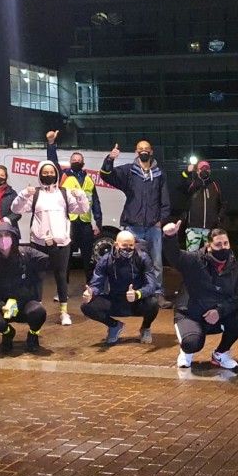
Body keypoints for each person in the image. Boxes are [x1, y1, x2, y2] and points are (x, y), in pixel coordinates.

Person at [10, 160, 89, 325]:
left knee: (61, 277)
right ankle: (36, 310)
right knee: (37, 276)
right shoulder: (35, 194)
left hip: (61, 242)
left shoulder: (65, 193)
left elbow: (83, 210)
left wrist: (80, 195)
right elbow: (15, 209)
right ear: (39, 174)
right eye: (44, 173)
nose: (48, 175)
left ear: (56, 174)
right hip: (39, 242)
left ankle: (64, 313)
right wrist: (24, 193)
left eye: (51, 172)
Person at [161, 220, 238, 369]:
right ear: (208, 246)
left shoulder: (237, 268)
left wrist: (219, 311)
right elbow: (175, 256)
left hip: (215, 316)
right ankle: (186, 352)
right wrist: (170, 238)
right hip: (190, 314)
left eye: (226, 243)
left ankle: (221, 353)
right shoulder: (194, 260)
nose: (223, 248)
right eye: (218, 245)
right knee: (192, 344)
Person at [100, 139, 173, 308]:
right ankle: (134, 293)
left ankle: (157, 293)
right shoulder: (128, 171)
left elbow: (165, 200)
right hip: (133, 226)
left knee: (156, 263)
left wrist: (161, 220)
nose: (144, 151)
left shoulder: (159, 173)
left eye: (146, 149)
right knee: (130, 262)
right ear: (136, 152)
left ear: (151, 151)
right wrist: (110, 159)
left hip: (153, 227)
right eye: (140, 149)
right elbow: (106, 175)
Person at [81, 230, 161, 345]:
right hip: (115, 300)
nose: (128, 249)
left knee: (153, 303)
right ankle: (114, 326)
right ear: (116, 245)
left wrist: (138, 293)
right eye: (124, 245)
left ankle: (145, 328)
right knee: (86, 306)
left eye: (131, 245)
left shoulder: (143, 258)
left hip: (136, 301)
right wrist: (91, 292)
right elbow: (97, 283)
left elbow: (152, 284)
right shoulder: (106, 260)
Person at [0, 222, 50, 353]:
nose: (3, 239)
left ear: (13, 237)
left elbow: (47, 261)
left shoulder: (26, 254)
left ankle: (33, 335)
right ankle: (7, 333)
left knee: (38, 312)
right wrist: (2, 306)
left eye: (7, 235)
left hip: (24, 304)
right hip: (3, 307)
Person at [46, 130, 102, 285]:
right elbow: (52, 162)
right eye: (74, 159)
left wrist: (98, 222)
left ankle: (91, 286)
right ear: (70, 162)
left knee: (87, 258)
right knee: (66, 258)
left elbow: (95, 202)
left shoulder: (89, 179)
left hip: (84, 223)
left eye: (79, 159)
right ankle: (63, 289)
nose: (77, 161)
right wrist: (51, 144)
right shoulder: (63, 175)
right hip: (68, 223)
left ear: (83, 163)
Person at [180, 160, 226, 252]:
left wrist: (219, 218)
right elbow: (181, 183)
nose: (205, 171)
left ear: (210, 171)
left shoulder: (215, 185)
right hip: (193, 228)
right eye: (202, 169)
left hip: (210, 229)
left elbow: (223, 204)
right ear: (197, 171)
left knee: (211, 256)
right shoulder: (192, 184)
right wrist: (187, 172)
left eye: (207, 169)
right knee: (191, 257)